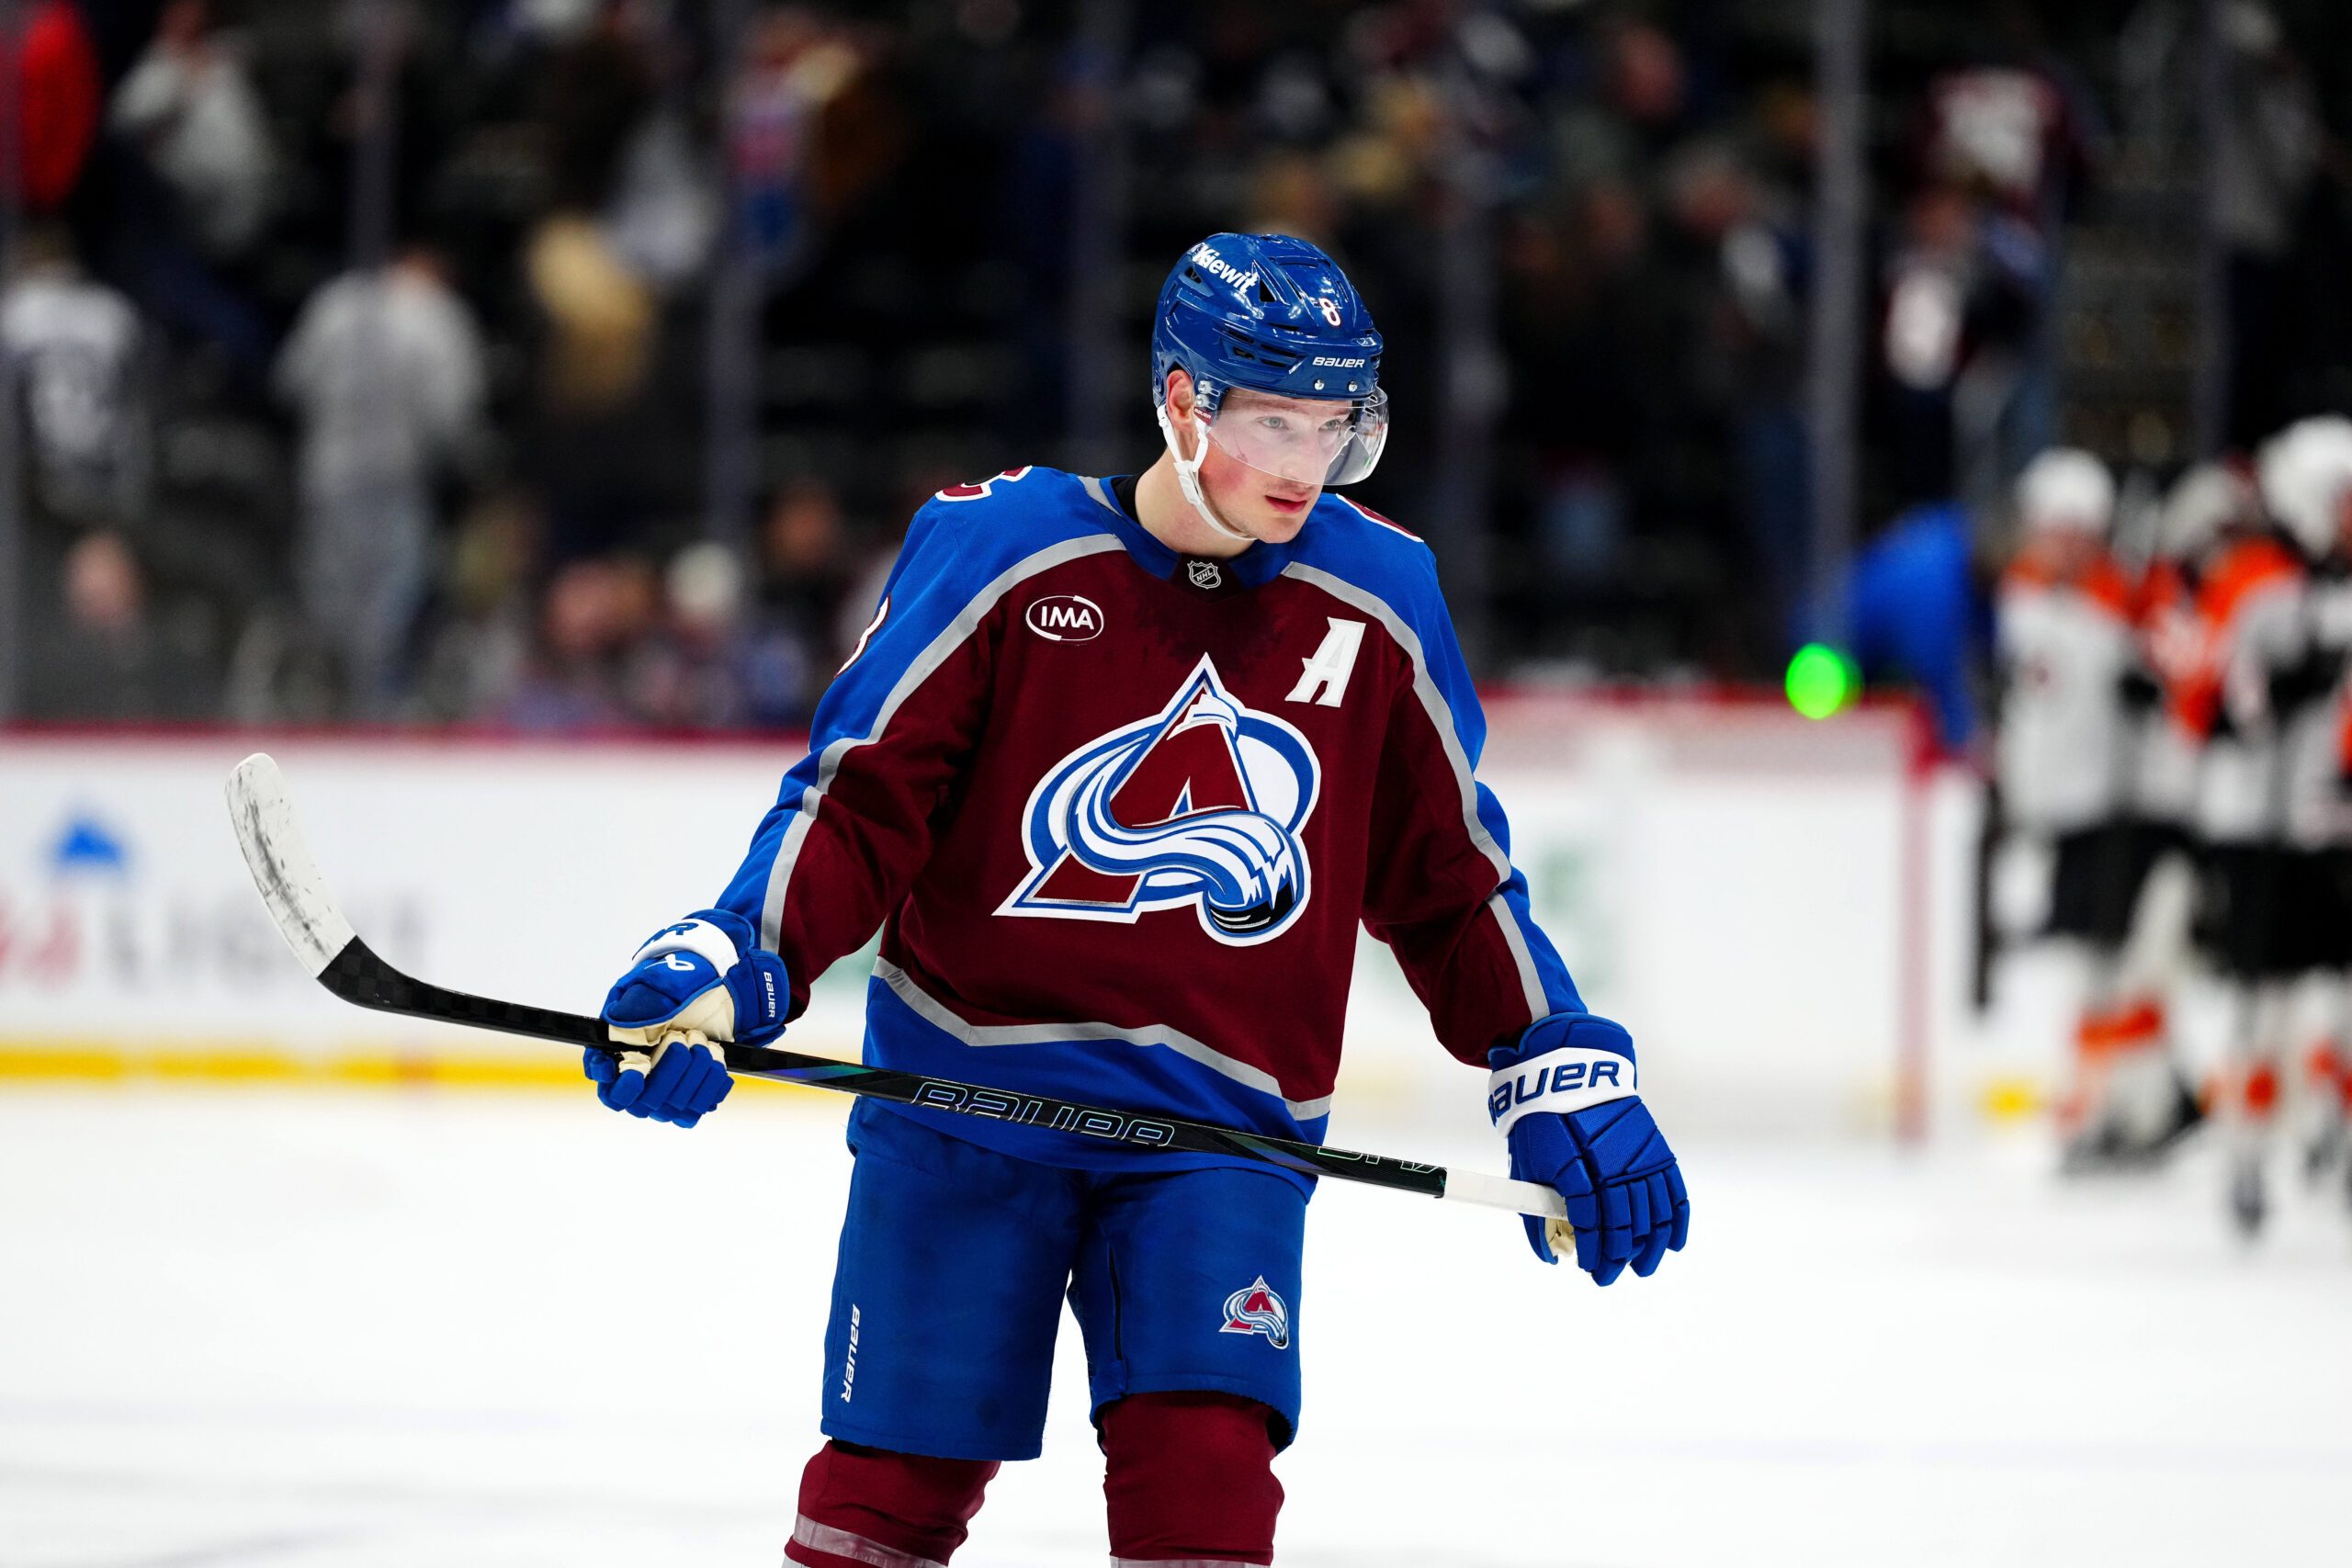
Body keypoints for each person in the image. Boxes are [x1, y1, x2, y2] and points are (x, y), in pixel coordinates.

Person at [578, 233, 1690, 1565]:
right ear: (1181, 401)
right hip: (968, 1108)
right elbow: (860, 802)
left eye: (1336, 426)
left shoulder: (1379, 596)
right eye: (1276, 419)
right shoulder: (999, 552)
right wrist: (735, 957)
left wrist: (1551, 1049)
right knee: (888, 1488)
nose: (1305, 463)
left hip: (1221, 1133)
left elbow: (1450, 873)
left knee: (1205, 1480)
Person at [1992, 448, 2201, 1168]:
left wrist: (2144, 657)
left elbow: (2171, 674)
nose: (2051, 543)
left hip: (2124, 811)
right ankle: (2150, 1097)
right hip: (2071, 809)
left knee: (2109, 970)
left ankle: (2116, 1103)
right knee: (2098, 968)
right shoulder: (2039, 597)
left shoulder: (2121, 598)